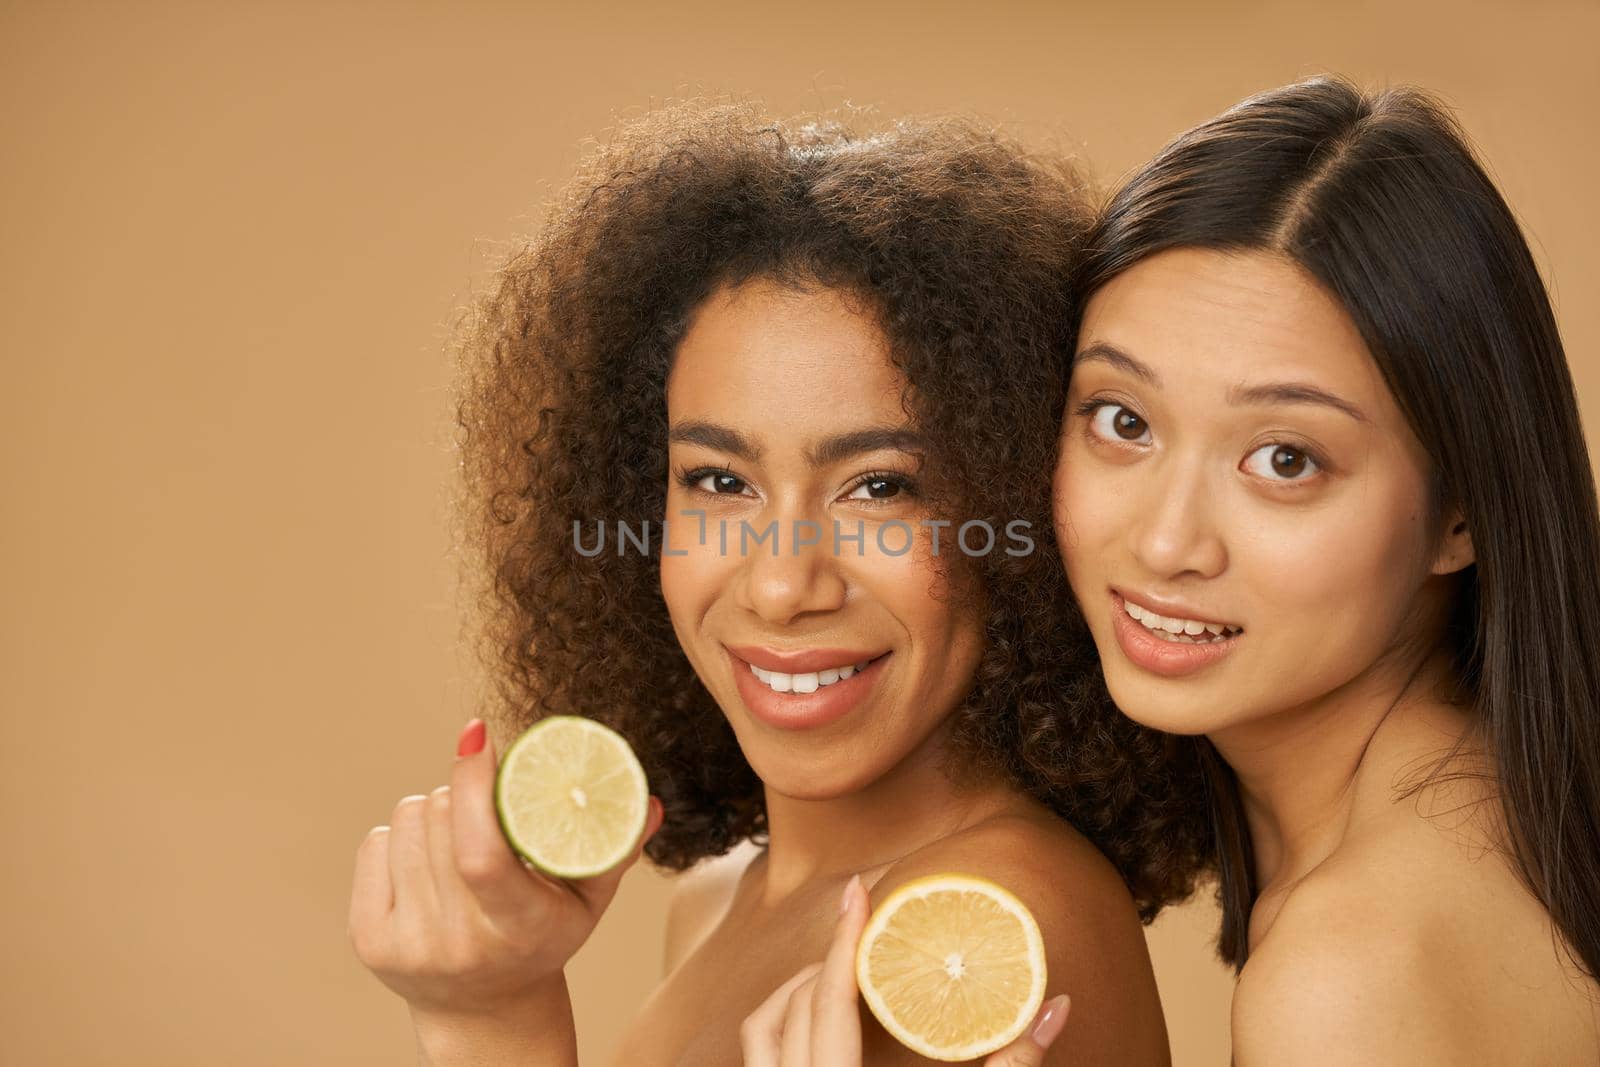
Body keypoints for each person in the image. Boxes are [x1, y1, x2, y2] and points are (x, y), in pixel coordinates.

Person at [347, 104, 1214, 1065]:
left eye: (882, 486)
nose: (779, 585)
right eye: (720, 481)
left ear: (1021, 513)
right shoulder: (720, 895)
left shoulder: (977, 934)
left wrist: (491, 1025)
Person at [1050, 76, 1600, 1062]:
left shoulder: (1348, 971)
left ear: (1460, 509)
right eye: (1122, 421)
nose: (1168, 541)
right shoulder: (1491, 815)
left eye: (1284, 459)